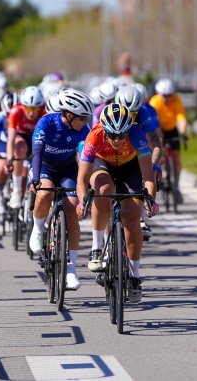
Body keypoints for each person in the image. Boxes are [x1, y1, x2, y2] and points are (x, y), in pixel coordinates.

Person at [76, 103, 159, 303]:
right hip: (102, 164)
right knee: (103, 191)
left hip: (130, 167)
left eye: (122, 135)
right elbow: (82, 179)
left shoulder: (137, 135)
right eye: (112, 134)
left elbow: (148, 176)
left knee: (131, 217)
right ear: (104, 130)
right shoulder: (95, 136)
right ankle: (97, 248)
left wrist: (151, 200)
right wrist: (82, 202)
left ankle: (134, 276)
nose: (117, 139)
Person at [28, 90, 94, 291]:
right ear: (69, 115)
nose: (85, 121)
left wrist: (89, 183)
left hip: (68, 169)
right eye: (82, 117)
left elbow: (85, 158)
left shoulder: (83, 129)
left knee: (72, 209)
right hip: (44, 167)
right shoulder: (47, 123)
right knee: (45, 193)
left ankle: (71, 268)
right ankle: (38, 229)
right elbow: (37, 151)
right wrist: (36, 178)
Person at [116, 86, 164, 239]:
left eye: (133, 113)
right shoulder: (111, 112)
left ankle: (142, 219)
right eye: (126, 113)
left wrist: (154, 163)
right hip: (113, 154)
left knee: (145, 176)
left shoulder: (144, 112)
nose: (130, 117)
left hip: (136, 150)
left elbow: (156, 142)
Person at [7, 86, 46, 208]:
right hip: (22, 136)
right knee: (19, 146)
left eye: (35, 109)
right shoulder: (15, 111)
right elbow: (11, 139)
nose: (31, 113)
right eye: (28, 108)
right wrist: (10, 159)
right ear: (22, 105)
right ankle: (17, 191)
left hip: (38, 137)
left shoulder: (45, 112)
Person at [149, 78, 188, 203]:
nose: (168, 98)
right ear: (159, 94)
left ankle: (176, 185)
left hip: (171, 129)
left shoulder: (176, 99)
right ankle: (160, 175)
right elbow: (154, 123)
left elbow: (181, 116)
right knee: (159, 152)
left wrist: (183, 132)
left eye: (170, 95)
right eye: (165, 95)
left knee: (176, 158)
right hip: (158, 128)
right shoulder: (154, 102)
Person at [0, 92, 19, 215]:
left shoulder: (22, 115)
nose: (10, 116)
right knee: (2, 166)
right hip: (3, 144)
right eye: (8, 114)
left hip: (18, 144)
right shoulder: (0, 117)